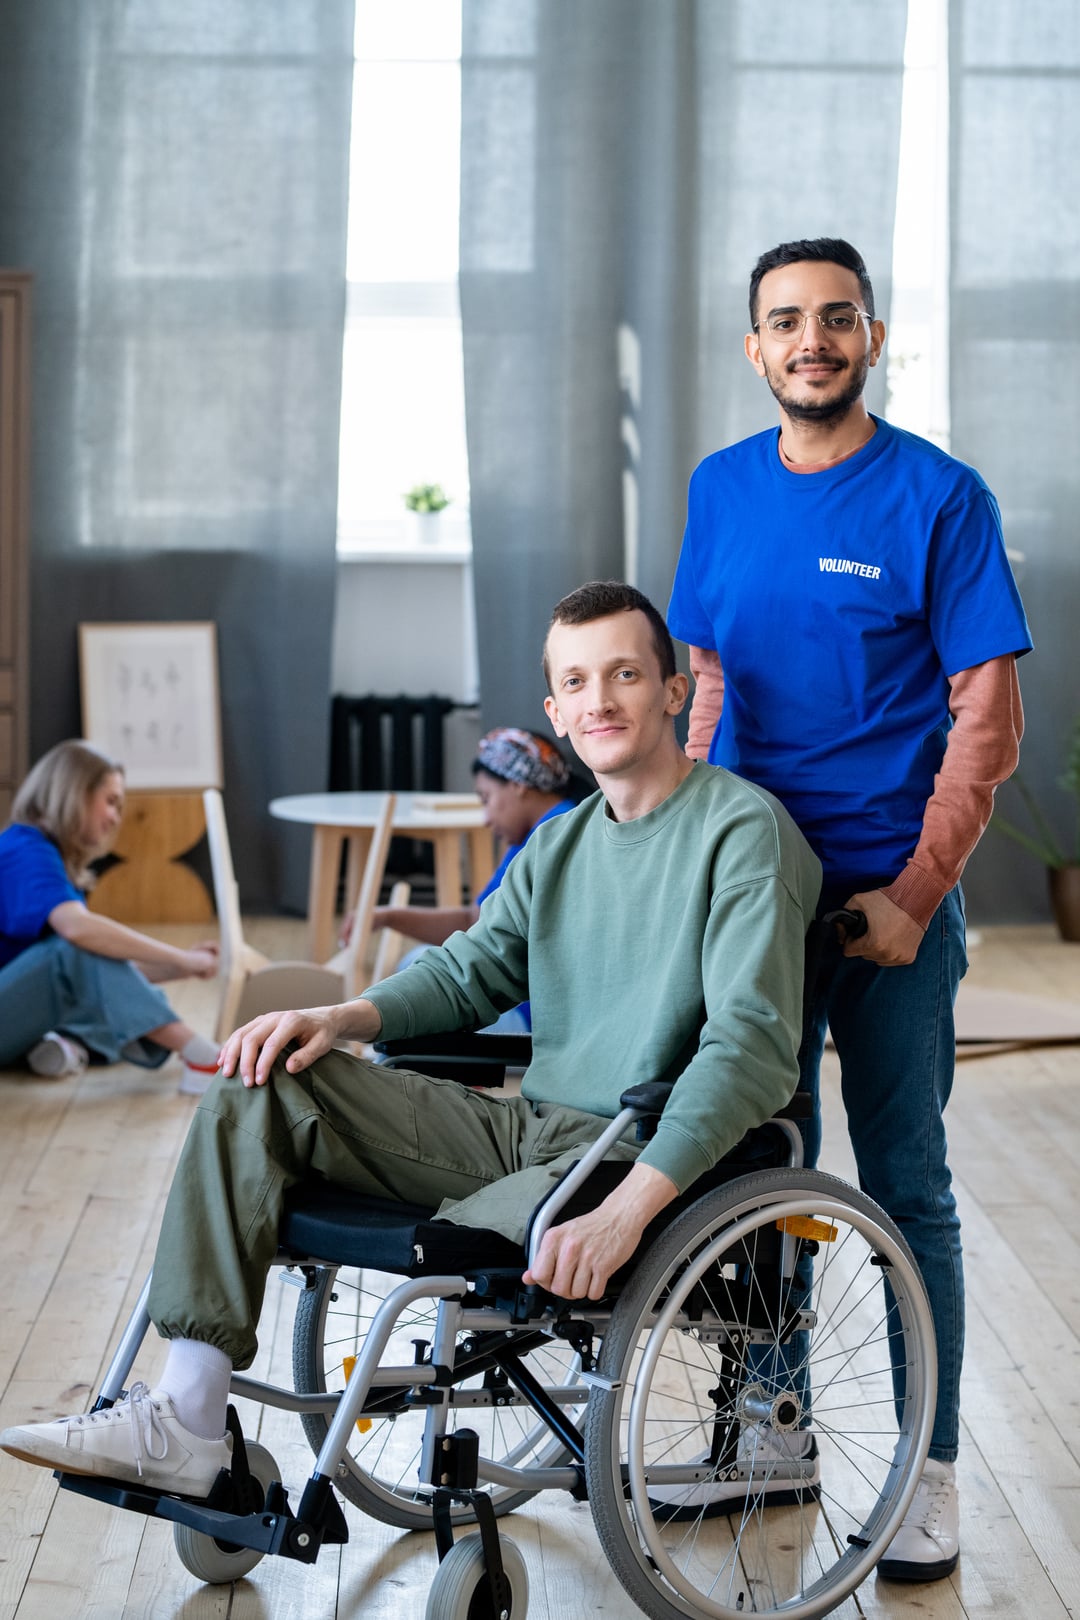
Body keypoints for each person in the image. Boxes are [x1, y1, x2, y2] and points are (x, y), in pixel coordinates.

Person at [1, 581, 821, 1496]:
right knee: (259, 1071)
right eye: (577, 682)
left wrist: (627, 1207)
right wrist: (336, 1018)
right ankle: (189, 1418)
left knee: (434, 1190)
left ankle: (190, 1425)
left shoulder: (743, 831)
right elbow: (470, 970)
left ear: (673, 692)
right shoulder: (560, 845)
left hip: (630, 1155)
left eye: (625, 673)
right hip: (529, 1132)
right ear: (555, 710)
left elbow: (750, 1046)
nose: (601, 700)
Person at [666, 237, 1032, 1582]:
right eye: (783, 322)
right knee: (761, 1164)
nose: (809, 340)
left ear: (869, 336)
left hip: (888, 900)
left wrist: (920, 893)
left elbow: (983, 717)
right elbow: (707, 689)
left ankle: (928, 1471)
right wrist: (690, 861)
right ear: (755, 349)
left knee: (904, 1184)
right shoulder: (720, 490)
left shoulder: (939, 497)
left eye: (834, 318)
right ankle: (774, 1425)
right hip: (754, 897)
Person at [0, 740, 222, 1091]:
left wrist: (180, 967)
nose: (115, 818)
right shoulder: (24, 850)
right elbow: (78, 938)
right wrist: (180, 956)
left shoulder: (41, 853)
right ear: (73, 794)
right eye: (111, 802)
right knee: (76, 951)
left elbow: (97, 974)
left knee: (107, 999)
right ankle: (203, 1058)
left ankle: (65, 1046)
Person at [371, 725, 579, 1030]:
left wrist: (389, 917)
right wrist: (389, 917)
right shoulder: (555, 825)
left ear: (518, 784)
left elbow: (475, 926)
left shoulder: (548, 834)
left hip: (536, 1019)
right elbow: (476, 919)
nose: (485, 818)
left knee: (414, 974)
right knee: (419, 969)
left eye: (486, 798)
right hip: (546, 1009)